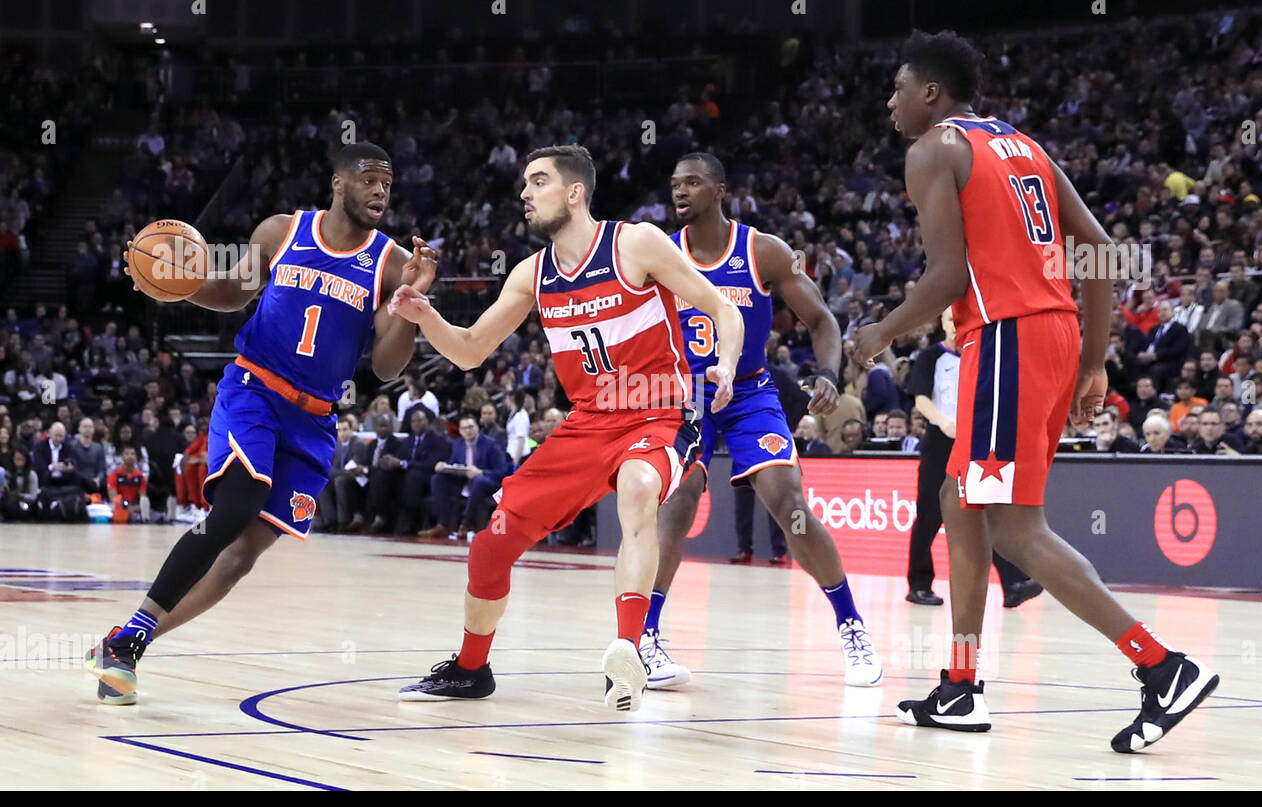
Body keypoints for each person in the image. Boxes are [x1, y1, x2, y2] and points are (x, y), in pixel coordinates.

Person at [856, 32, 1217, 752]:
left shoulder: (933, 148)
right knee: (961, 502)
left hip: (1003, 340)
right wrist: (1091, 360)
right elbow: (1101, 253)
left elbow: (948, 280)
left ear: (932, 92)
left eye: (898, 87)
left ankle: (1163, 668)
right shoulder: (1022, 145)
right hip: (1046, 338)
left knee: (1016, 527)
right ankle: (960, 686)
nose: (890, 100)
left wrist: (880, 333)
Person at [390, 144, 742, 711]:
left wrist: (724, 365)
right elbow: (472, 351)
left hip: (657, 410)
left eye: (537, 182)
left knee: (638, 488)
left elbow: (724, 308)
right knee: (490, 545)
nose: (524, 194)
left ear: (575, 193)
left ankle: (628, 649)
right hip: (586, 424)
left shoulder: (636, 243)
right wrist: (427, 315)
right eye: (524, 185)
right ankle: (471, 669)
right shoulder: (533, 274)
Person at [85, 143, 435, 706]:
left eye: (388, 186)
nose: (379, 193)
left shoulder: (392, 263)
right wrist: (178, 283)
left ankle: (125, 641)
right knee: (238, 504)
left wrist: (411, 300)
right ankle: (130, 643)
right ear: (339, 183)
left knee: (238, 560)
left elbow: (387, 367)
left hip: (315, 421)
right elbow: (232, 292)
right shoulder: (283, 231)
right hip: (255, 389)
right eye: (369, 180)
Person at [638, 152, 882, 689]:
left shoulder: (763, 250)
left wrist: (826, 372)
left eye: (693, 183)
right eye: (675, 183)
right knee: (678, 498)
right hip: (686, 396)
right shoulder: (658, 252)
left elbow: (821, 319)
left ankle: (850, 624)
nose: (680, 192)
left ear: (720, 190)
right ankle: (645, 637)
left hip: (749, 390)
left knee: (789, 502)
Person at [906, 307, 1042, 607]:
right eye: (950, 322)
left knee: (983, 512)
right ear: (942, 324)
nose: (956, 327)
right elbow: (920, 398)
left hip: (976, 442)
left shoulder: (981, 354)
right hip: (941, 441)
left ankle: (1013, 584)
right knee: (930, 513)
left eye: (959, 321)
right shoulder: (931, 357)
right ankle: (919, 584)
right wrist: (943, 422)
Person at [421, 414, 510, 539]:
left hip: (488, 483)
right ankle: (443, 525)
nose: (468, 430)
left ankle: (466, 524)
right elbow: (454, 464)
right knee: (437, 478)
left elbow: (502, 471)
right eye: (464, 428)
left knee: (478, 480)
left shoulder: (491, 444)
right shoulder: (458, 445)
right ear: (461, 431)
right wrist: (445, 466)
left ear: (477, 428)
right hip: (463, 482)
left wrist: (481, 472)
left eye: (471, 427)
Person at [317, 414, 369, 533]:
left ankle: (343, 521)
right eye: (339, 430)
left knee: (339, 480)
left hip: (357, 479)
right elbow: (335, 468)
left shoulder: (359, 444)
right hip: (341, 476)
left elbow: (352, 468)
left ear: (352, 430)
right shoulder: (339, 445)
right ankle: (329, 520)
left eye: (345, 429)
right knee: (324, 481)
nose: (341, 433)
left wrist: (331, 472)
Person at [106, 444, 150, 522]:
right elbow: (114, 498)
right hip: (119, 508)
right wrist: (126, 507)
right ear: (122, 457)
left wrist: (135, 508)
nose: (130, 456)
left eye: (132, 454)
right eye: (126, 454)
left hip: (135, 508)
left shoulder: (141, 477)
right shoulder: (114, 475)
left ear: (136, 457)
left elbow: (142, 499)